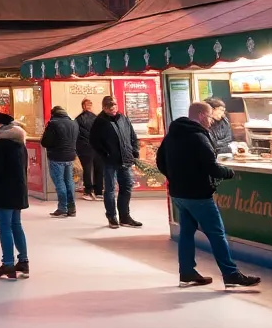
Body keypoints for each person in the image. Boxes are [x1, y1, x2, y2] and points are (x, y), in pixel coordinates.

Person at [157, 101, 260, 288]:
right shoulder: (198, 137)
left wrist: (174, 177)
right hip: (198, 195)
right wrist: (228, 172)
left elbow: (160, 161)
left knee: (187, 233)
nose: (212, 121)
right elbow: (211, 167)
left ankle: (187, 271)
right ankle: (231, 274)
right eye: (211, 117)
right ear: (202, 115)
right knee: (216, 233)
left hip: (179, 194)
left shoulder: (172, 135)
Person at [0, 113, 30, 279]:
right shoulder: (20, 143)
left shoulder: (0, 145)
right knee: (16, 225)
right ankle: (23, 261)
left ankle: (8, 264)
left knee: (4, 228)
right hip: (18, 190)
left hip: (3, 191)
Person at [90, 96, 142, 229]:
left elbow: (132, 136)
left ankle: (125, 216)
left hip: (125, 159)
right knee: (110, 190)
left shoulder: (123, 119)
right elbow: (94, 141)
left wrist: (134, 150)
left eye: (114, 107)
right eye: (109, 108)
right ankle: (112, 216)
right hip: (109, 161)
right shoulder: (99, 122)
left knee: (127, 187)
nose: (113, 110)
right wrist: (105, 154)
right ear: (104, 108)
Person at [40, 105, 79, 218]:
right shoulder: (73, 123)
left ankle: (62, 208)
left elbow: (45, 142)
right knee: (69, 182)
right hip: (70, 156)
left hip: (56, 156)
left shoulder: (53, 124)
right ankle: (72, 208)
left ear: (53, 114)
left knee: (59, 182)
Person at [75, 98, 102, 201]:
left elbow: (76, 134)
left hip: (85, 148)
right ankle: (99, 192)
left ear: (83, 106)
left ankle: (88, 191)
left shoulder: (78, 119)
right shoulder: (97, 118)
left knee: (87, 169)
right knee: (99, 169)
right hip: (97, 147)